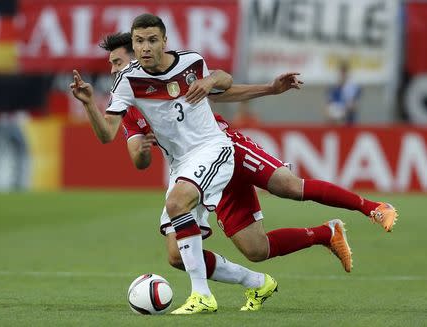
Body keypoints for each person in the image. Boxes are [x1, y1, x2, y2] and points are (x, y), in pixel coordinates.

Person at [94, 31, 395, 312]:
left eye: (117, 62)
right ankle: (322, 235)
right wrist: (142, 151)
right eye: (111, 65)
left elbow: (222, 86)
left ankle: (374, 207)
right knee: (247, 250)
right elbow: (136, 157)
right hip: (194, 174)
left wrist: (267, 89)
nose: (112, 71)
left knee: (289, 187)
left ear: (136, 56)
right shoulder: (127, 106)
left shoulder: (171, 73)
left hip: (226, 150)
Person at [70, 13, 243, 314]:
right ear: (134, 46)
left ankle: (202, 296)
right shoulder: (127, 82)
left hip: (213, 148)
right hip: (181, 165)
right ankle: (258, 282)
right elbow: (107, 134)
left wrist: (210, 79)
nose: (146, 47)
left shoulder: (189, 61)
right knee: (176, 255)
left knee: (177, 204)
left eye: (152, 40)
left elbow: (225, 81)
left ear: (165, 42)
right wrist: (88, 104)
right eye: (139, 41)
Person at [324, 60, 362, 125]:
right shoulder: (333, 87)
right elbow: (328, 104)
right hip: (334, 117)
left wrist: (346, 110)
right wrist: (330, 112)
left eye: (344, 72)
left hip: (348, 117)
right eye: (341, 72)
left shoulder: (353, 87)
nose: (342, 75)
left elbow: (355, 105)